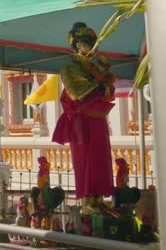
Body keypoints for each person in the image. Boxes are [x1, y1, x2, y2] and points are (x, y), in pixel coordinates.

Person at [52, 22, 116, 213]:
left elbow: (108, 94)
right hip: (83, 122)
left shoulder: (95, 68)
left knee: (101, 160)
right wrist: (100, 80)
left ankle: (99, 200)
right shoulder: (69, 69)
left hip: (98, 119)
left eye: (93, 42)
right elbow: (76, 94)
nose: (92, 46)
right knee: (85, 162)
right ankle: (88, 202)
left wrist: (104, 81)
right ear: (77, 44)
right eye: (88, 42)